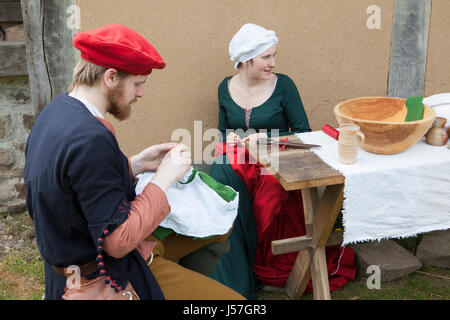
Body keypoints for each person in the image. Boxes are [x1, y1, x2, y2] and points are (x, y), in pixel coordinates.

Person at [24, 24, 244, 300]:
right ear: (111, 77)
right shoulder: (91, 138)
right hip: (102, 277)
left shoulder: (57, 112)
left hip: (73, 263)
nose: (140, 94)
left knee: (220, 227)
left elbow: (73, 186)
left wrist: (136, 164)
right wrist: (165, 178)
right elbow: (118, 242)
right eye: (138, 84)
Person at [209, 23, 355, 299]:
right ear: (246, 59)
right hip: (242, 159)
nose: (273, 63)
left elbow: (303, 131)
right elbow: (223, 130)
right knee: (221, 174)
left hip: (277, 159)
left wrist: (262, 140)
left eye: (273, 56)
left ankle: (261, 256)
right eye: (266, 58)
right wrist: (231, 142)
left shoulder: (284, 85)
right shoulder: (224, 87)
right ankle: (232, 266)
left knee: (268, 186)